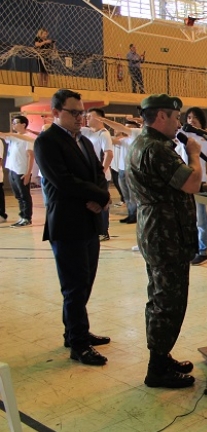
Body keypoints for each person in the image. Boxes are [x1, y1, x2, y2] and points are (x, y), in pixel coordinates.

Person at [126, 94, 207, 388]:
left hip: (159, 233)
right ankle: (157, 369)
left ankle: (161, 355)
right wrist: (193, 152)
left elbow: (176, 185)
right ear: (161, 117)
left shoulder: (149, 145)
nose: (180, 122)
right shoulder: (155, 148)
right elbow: (190, 182)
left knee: (161, 298)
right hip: (165, 236)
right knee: (168, 302)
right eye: (176, 117)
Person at [34, 89, 112, 366]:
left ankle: (75, 331)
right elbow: (63, 182)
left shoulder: (85, 142)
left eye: (82, 112)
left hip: (89, 222)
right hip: (67, 224)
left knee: (85, 281)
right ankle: (78, 344)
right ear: (56, 112)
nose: (81, 117)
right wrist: (98, 197)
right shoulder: (47, 142)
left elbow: (98, 175)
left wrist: (101, 195)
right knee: (74, 286)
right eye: (74, 112)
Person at [178, 107, 207, 265]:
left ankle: (202, 250)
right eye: (188, 117)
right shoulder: (182, 135)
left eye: (195, 117)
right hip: (183, 181)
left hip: (200, 181)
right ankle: (190, 248)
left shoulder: (206, 138)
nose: (191, 120)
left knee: (201, 217)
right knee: (187, 217)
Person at [81, 109, 114, 241]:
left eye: (90, 116)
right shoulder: (87, 132)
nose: (87, 119)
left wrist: (101, 172)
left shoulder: (104, 134)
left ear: (99, 118)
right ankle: (93, 229)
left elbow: (108, 154)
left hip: (99, 176)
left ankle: (103, 231)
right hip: (88, 175)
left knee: (102, 202)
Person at [0, 116, 35, 227]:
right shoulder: (14, 137)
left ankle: (27, 218)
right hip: (12, 170)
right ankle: (22, 216)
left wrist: (28, 173)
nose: (13, 125)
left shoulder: (28, 138)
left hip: (21, 171)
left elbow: (31, 156)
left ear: (23, 124)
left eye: (15, 123)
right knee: (19, 196)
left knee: (24, 195)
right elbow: (4, 135)